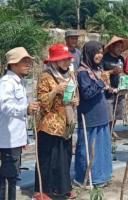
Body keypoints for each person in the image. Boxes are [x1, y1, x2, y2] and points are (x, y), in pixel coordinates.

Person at [0, 47, 40, 200]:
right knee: (9, 177)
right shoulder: (6, 83)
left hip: (15, 137)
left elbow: (19, 117)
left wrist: (23, 139)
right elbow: (7, 107)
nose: (28, 64)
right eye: (24, 61)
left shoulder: (19, 82)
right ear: (13, 64)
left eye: (28, 61)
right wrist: (26, 108)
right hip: (8, 138)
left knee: (10, 176)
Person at [34, 44, 78, 199]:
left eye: (68, 59)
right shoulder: (45, 76)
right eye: (63, 59)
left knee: (64, 158)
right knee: (47, 159)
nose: (66, 62)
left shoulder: (71, 75)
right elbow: (42, 102)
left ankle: (64, 187)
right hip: (49, 124)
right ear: (55, 61)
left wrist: (75, 100)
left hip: (66, 122)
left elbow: (74, 94)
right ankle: (43, 190)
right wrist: (55, 90)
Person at [74, 41, 112, 187]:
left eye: (101, 52)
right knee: (88, 148)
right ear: (89, 53)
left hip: (100, 115)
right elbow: (87, 93)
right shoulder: (82, 72)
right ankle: (87, 178)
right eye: (97, 52)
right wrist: (102, 82)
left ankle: (101, 176)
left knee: (101, 149)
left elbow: (100, 89)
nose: (100, 55)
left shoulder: (96, 69)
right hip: (89, 116)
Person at [102, 36, 128, 136]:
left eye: (121, 47)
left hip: (119, 91)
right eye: (118, 46)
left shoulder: (121, 59)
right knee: (108, 115)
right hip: (108, 92)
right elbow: (100, 74)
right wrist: (112, 71)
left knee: (116, 115)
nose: (120, 49)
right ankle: (106, 134)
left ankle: (110, 132)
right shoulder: (104, 59)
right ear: (111, 47)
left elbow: (123, 72)